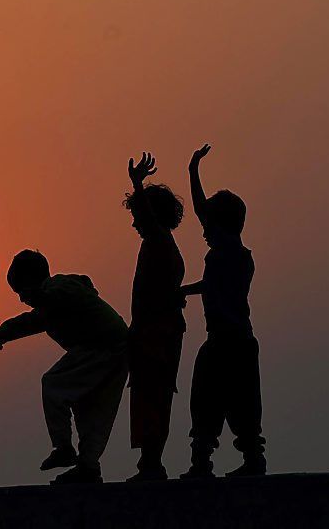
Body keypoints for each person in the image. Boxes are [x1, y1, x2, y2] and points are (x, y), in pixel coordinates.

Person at [0, 250, 128, 485]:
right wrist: (0, 334)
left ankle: (63, 447)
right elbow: (30, 322)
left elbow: (55, 298)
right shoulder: (50, 305)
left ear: (33, 280)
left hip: (104, 347)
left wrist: (40, 296)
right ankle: (88, 466)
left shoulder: (60, 287)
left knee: (53, 383)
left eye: (21, 291)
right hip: (111, 351)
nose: (22, 298)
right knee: (90, 408)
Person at [180, 144, 267, 478]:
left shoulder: (227, 251)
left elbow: (203, 212)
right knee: (229, 402)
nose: (202, 229)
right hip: (234, 340)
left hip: (228, 341)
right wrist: (192, 170)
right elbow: (212, 285)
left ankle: (211, 462)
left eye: (208, 223)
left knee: (210, 400)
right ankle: (239, 460)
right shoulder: (231, 254)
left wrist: (193, 171)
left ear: (221, 224)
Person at [123, 153, 187, 481]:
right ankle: (151, 463)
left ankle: (150, 464)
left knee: (151, 396)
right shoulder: (164, 246)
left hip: (155, 334)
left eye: (137, 215)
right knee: (155, 397)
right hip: (160, 332)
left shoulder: (159, 240)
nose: (135, 222)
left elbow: (148, 217)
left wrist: (137, 183)